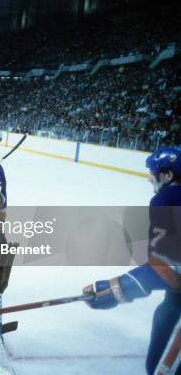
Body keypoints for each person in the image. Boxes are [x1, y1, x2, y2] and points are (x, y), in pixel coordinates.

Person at [83, 147, 181, 375]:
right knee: (170, 307)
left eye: (153, 172)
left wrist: (116, 288)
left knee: (161, 367)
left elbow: (168, 269)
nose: (150, 178)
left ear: (167, 175)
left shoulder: (166, 199)